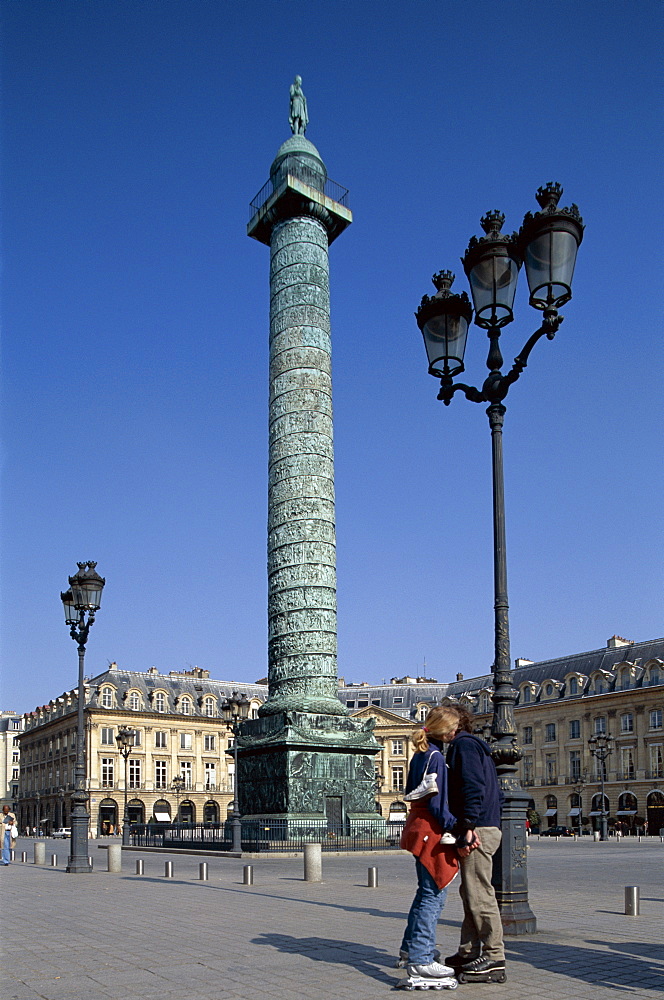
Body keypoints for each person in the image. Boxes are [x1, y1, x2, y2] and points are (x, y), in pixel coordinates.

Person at [397, 706, 461, 990]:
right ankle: (422, 958)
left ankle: (410, 949)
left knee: (424, 893)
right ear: (443, 731)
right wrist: (454, 824)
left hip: (416, 825)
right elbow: (436, 802)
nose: (456, 732)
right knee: (434, 895)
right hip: (430, 830)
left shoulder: (420, 755)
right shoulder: (435, 757)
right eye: (454, 728)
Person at [441, 706, 506, 984]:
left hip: (477, 828)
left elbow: (472, 786)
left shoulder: (463, 746)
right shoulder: (471, 745)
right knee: (471, 893)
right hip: (483, 824)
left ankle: (494, 957)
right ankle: (469, 951)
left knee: (479, 893)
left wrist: (467, 825)